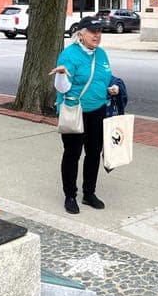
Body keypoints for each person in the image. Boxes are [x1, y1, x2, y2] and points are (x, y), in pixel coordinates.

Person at [50, 17, 119, 215]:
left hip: (97, 110)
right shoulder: (69, 55)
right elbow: (62, 88)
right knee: (73, 153)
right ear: (80, 33)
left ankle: (89, 193)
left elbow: (104, 77)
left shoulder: (102, 54)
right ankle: (70, 195)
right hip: (75, 111)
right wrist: (62, 74)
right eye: (92, 31)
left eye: (99, 31)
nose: (97, 35)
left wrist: (111, 88)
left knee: (94, 152)